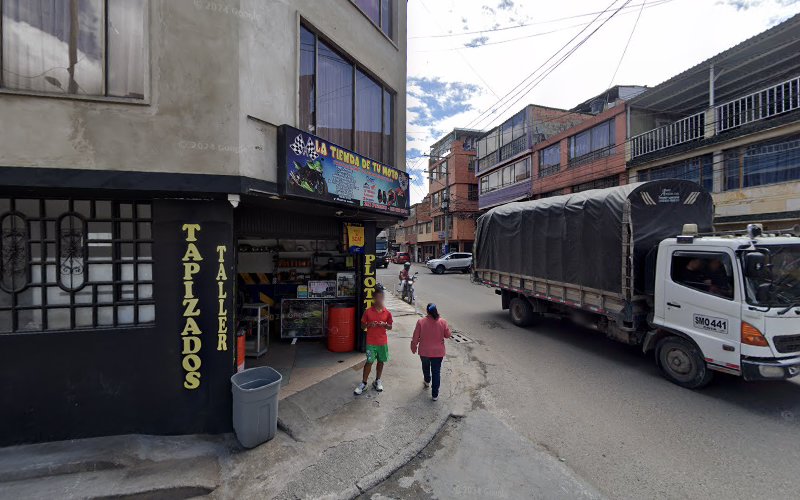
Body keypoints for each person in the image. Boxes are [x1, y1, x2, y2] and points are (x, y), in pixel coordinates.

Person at [355, 286, 393, 395]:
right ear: (374, 298)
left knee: (381, 361)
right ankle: (364, 383)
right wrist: (368, 324)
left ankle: (377, 380)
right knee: (369, 361)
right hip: (370, 342)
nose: (380, 299)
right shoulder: (368, 312)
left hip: (382, 342)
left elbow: (390, 327)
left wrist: (385, 325)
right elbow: (362, 326)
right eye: (378, 297)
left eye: (381, 297)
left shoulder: (387, 313)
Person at [410, 303, 451, 401]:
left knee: (425, 366)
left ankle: (427, 380)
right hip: (438, 353)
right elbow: (448, 335)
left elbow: (415, 337)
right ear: (436, 311)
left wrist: (413, 347)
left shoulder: (421, 322)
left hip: (424, 352)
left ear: (427, 311)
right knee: (436, 372)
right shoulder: (443, 322)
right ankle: (435, 395)